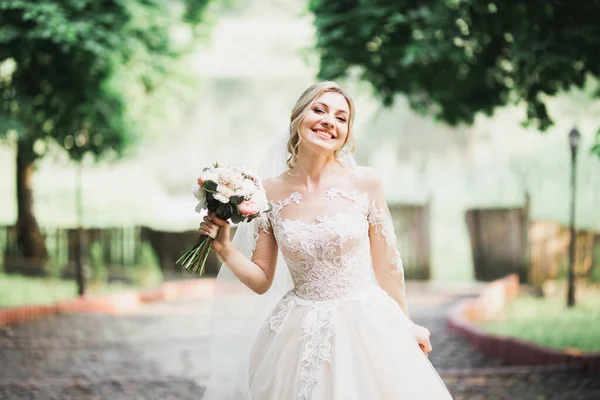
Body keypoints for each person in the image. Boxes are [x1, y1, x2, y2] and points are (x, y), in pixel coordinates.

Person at [200, 82, 453, 399]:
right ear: (298, 118)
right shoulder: (267, 192)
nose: (329, 121)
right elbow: (262, 278)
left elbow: (389, 266)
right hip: (296, 332)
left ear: (347, 132)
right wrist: (224, 248)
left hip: (366, 325)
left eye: (341, 117)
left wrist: (407, 323)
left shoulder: (366, 182)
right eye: (319, 110)